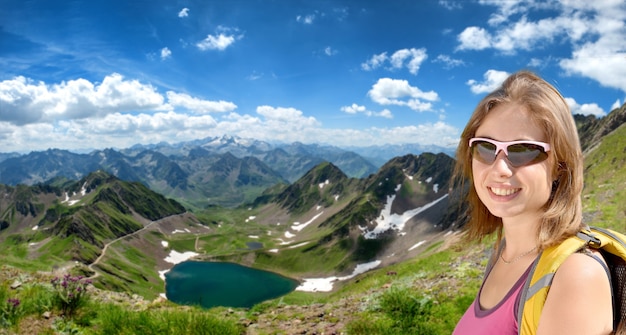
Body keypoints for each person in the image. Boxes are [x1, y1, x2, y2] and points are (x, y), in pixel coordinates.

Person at [452, 70, 613, 335]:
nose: (500, 168)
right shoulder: (503, 254)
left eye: (524, 150)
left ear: (560, 166)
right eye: (485, 147)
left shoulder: (575, 275)